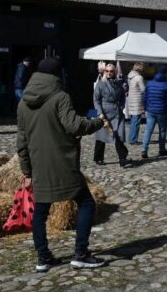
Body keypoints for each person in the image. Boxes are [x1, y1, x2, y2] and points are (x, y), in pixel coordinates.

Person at [17, 57, 107, 272]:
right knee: (86, 203)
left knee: (40, 212)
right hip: (63, 162)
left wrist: (26, 169)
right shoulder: (60, 97)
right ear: (58, 75)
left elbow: (21, 140)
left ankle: (43, 258)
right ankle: (81, 254)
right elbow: (74, 125)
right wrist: (97, 123)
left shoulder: (23, 102)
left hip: (38, 164)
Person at [92, 62, 131, 168]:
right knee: (102, 137)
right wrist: (99, 112)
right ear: (104, 72)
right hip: (104, 114)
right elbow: (96, 100)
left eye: (111, 71)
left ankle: (122, 158)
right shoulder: (100, 84)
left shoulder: (118, 83)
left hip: (117, 114)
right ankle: (98, 158)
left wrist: (122, 107)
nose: (109, 73)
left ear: (115, 72)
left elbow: (123, 96)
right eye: (107, 71)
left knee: (119, 136)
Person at [141, 65, 167, 158]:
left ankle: (144, 149)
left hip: (150, 110)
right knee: (162, 131)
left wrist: (145, 107)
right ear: (165, 74)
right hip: (162, 111)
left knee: (148, 130)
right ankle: (162, 149)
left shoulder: (149, 83)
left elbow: (144, 98)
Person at [126, 62, 146, 144]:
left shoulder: (129, 76)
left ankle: (131, 138)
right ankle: (133, 139)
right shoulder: (139, 77)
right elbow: (143, 89)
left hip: (131, 99)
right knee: (136, 121)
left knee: (133, 121)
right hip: (137, 100)